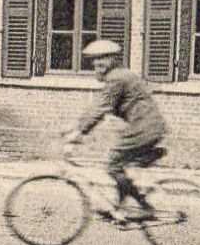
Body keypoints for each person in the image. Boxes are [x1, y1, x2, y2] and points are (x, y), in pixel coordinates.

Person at [63, 39, 168, 223]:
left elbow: (100, 107)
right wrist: (76, 127)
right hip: (146, 127)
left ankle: (144, 208)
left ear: (111, 59)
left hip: (143, 128)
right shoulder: (121, 76)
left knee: (112, 165)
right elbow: (98, 108)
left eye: (101, 59)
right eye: (94, 60)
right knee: (117, 165)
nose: (96, 64)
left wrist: (79, 132)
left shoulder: (117, 78)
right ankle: (119, 208)